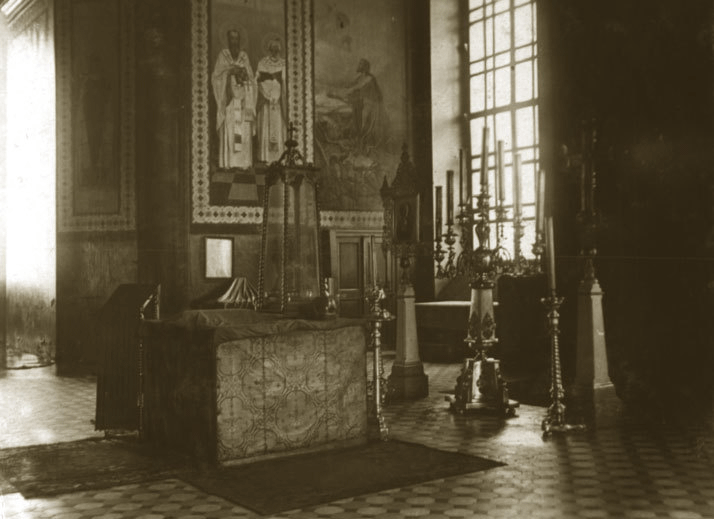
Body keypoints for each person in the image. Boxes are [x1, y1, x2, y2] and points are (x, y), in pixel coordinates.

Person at [211, 29, 256, 169]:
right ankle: (229, 163)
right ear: (228, 40)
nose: (234, 41)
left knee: (243, 130)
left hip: (243, 100)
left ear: (239, 40)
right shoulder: (223, 55)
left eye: (237, 39)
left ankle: (244, 163)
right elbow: (216, 77)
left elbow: (251, 78)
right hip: (229, 100)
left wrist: (243, 74)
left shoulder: (244, 56)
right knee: (231, 128)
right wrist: (230, 72)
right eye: (232, 38)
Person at [343, 58, 386, 152]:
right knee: (356, 122)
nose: (359, 65)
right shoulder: (359, 77)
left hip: (369, 103)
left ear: (365, 67)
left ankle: (363, 145)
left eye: (361, 64)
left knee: (363, 124)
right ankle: (357, 144)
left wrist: (350, 90)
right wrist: (347, 89)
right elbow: (351, 85)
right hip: (360, 102)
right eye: (359, 64)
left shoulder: (370, 78)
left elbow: (358, 87)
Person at [255, 38, 287, 163]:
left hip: (279, 103)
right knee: (266, 127)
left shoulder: (284, 63)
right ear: (269, 49)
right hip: (266, 103)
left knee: (279, 127)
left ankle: (279, 158)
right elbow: (258, 80)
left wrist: (277, 88)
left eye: (277, 48)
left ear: (280, 49)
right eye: (272, 48)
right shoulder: (263, 63)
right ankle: (265, 157)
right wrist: (269, 91)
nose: (275, 51)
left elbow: (284, 80)